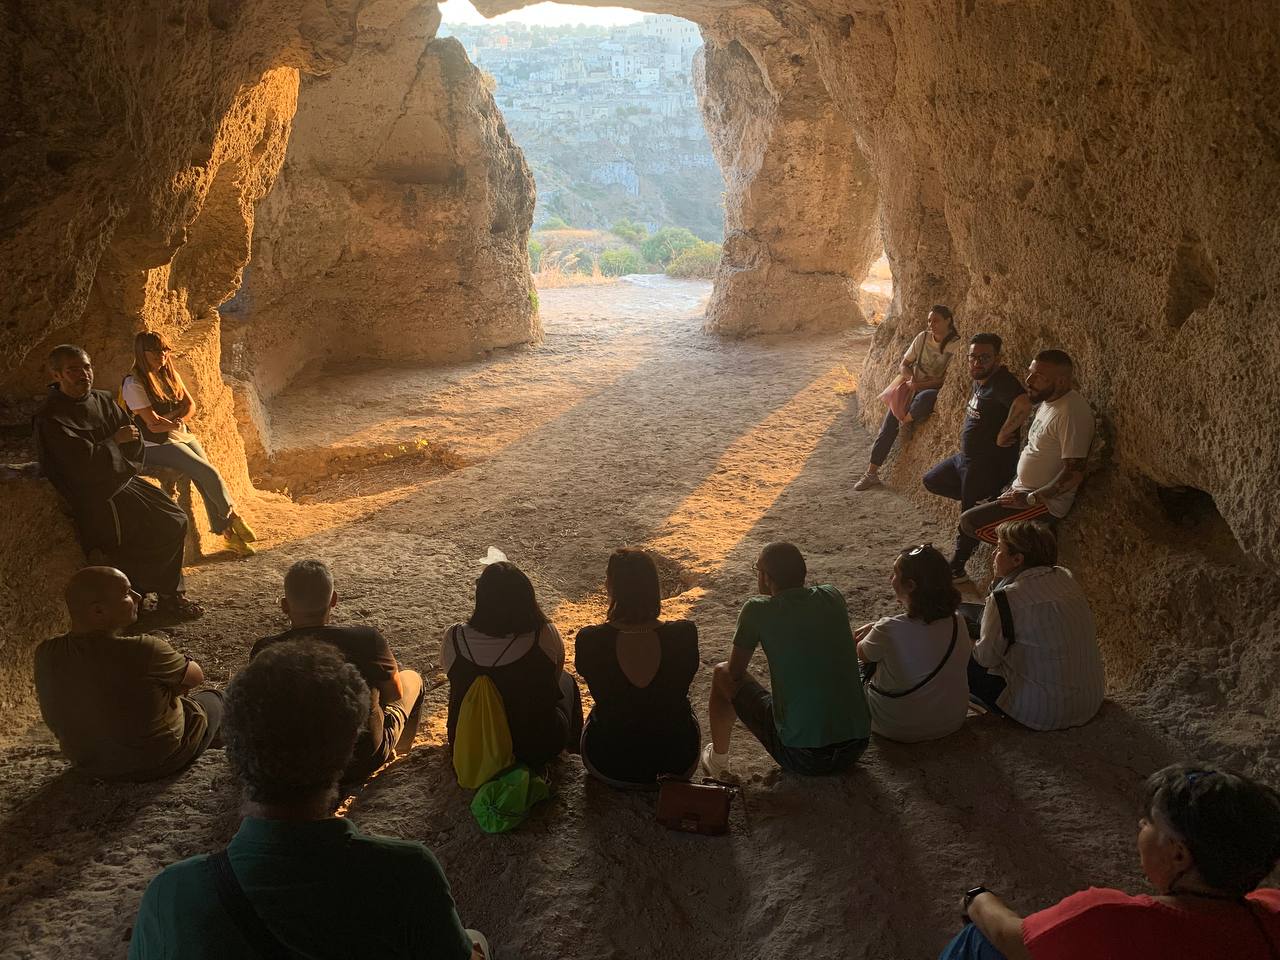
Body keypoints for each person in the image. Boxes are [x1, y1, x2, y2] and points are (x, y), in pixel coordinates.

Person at [129, 640, 490, 960]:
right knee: (475, 941)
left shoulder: (172, 895)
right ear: (348, 749)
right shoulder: (407, 874)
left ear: (233, 746)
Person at [941, 763, 1280, 959]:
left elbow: (1010, 936)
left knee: (978, 940)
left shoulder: (1108, 918)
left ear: (1179, 854)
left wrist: (978, 899)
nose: (1140, 825)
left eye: (1149, 821)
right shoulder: (1271, 912)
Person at [33, 344, 200, 619]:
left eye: (86, 367)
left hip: (122, 480)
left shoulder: (101, 400)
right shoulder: (51, 417)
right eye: (73, 370)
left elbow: (132, 438)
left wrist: (121, 454)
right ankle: (145, 599)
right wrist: (113, 442)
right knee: (133, 536)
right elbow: (75, 464)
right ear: (57, 374)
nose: (83, 374)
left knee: (175, 518)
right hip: (94, 494)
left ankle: (164, 593)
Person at [34, 566, 222, 781]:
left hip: (87, 763)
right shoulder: (143, 649)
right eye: (126, 593)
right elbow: (196, 676)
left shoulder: (47, 652)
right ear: (98, 611)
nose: (138, 597)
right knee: (215, 699)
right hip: (157, 762)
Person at [702, 542, 870, 778]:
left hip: (803, 756)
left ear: (766, 577)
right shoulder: (832, 596)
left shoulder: (757, 610)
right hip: (856, 746)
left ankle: (718, 761)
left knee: (722, 674)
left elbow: (735, 672)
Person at [251, 559, 424, 785]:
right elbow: (394, 695)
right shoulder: (366, 640)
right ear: (334, 600)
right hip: (360, 758)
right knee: (412, 679)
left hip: (294, 763)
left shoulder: (264, 650)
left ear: (284, 605)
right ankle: (398, 760)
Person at [121, 330, 256, 556]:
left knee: (204, 480)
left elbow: (190, 405)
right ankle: (233, 518)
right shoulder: (133, 383)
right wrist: (174, 421)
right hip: (154, 444)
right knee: (208, 472)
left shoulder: (168, 375)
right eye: (154, 350)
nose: (161, 355)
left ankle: (230, 538)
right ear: (141, 353)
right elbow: (153, 424)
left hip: (178, 433)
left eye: (164, 349)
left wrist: (176, 420)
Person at [576, 548, 700, 787]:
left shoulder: (590, 640)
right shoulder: (683, 635)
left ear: (612, 588)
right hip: (677, 762)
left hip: (607, 763)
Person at [443, 560, 582, 771]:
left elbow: (453, 677)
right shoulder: (543, 635)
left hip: (470, 744)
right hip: (534, 748)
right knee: (566, 680)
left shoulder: (454, 637)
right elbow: (553, 679)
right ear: (527, 598)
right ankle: (572, 755)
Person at [967, 521, 1104, 730]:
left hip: (1042, 712)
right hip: (1088, 703)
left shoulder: (1005, 598)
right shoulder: (1065, 577)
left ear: (1017, 559)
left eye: (999, 549)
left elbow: (985, 658)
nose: (994, 553)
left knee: (955, 648)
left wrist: (964, 641)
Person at [957, 350, 1094, 548]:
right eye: (1031, 372)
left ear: (1062, 382)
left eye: (1039, 377)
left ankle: (1032, 555)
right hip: (1024, 491)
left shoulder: (1072, 413)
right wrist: (1015, 487)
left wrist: (1031, 499)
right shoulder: (1049, 402)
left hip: (1044, 504)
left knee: (971, 523)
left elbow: (1074, 473)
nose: (1029, 380)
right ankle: (1019, 555)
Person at [923, 333, 1029, 582]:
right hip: (966, 460)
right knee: (932, 480)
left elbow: (1023, 403)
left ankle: (957, 568)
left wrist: (1005, 432)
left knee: (967, 515)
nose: (977, 362)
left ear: (998, 358)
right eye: (973, 357)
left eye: (984, 357)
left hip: (986, 465)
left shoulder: (1002, 381)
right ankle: (987, 502)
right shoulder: (981, 380)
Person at [854, 545, 971, 743]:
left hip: (896, 725)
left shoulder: (888, 629)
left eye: (894, 574)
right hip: (952, 720)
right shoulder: (957, 620)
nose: (890, 579)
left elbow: (862, 653)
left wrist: (872, 632)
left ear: (910, 585)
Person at [855, 304, 962, 491]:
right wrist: (910, 378)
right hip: (912, 386)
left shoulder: (955, 344)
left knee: (927, 398)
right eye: (929, 320)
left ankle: (905, 420)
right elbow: (904, 364)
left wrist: (921, 385)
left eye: (936, 320)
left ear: (948, 321)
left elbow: (947, 379)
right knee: (887, 427)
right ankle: (871, 473)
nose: (931, 324)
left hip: (930, 389)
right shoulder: (922, 338)